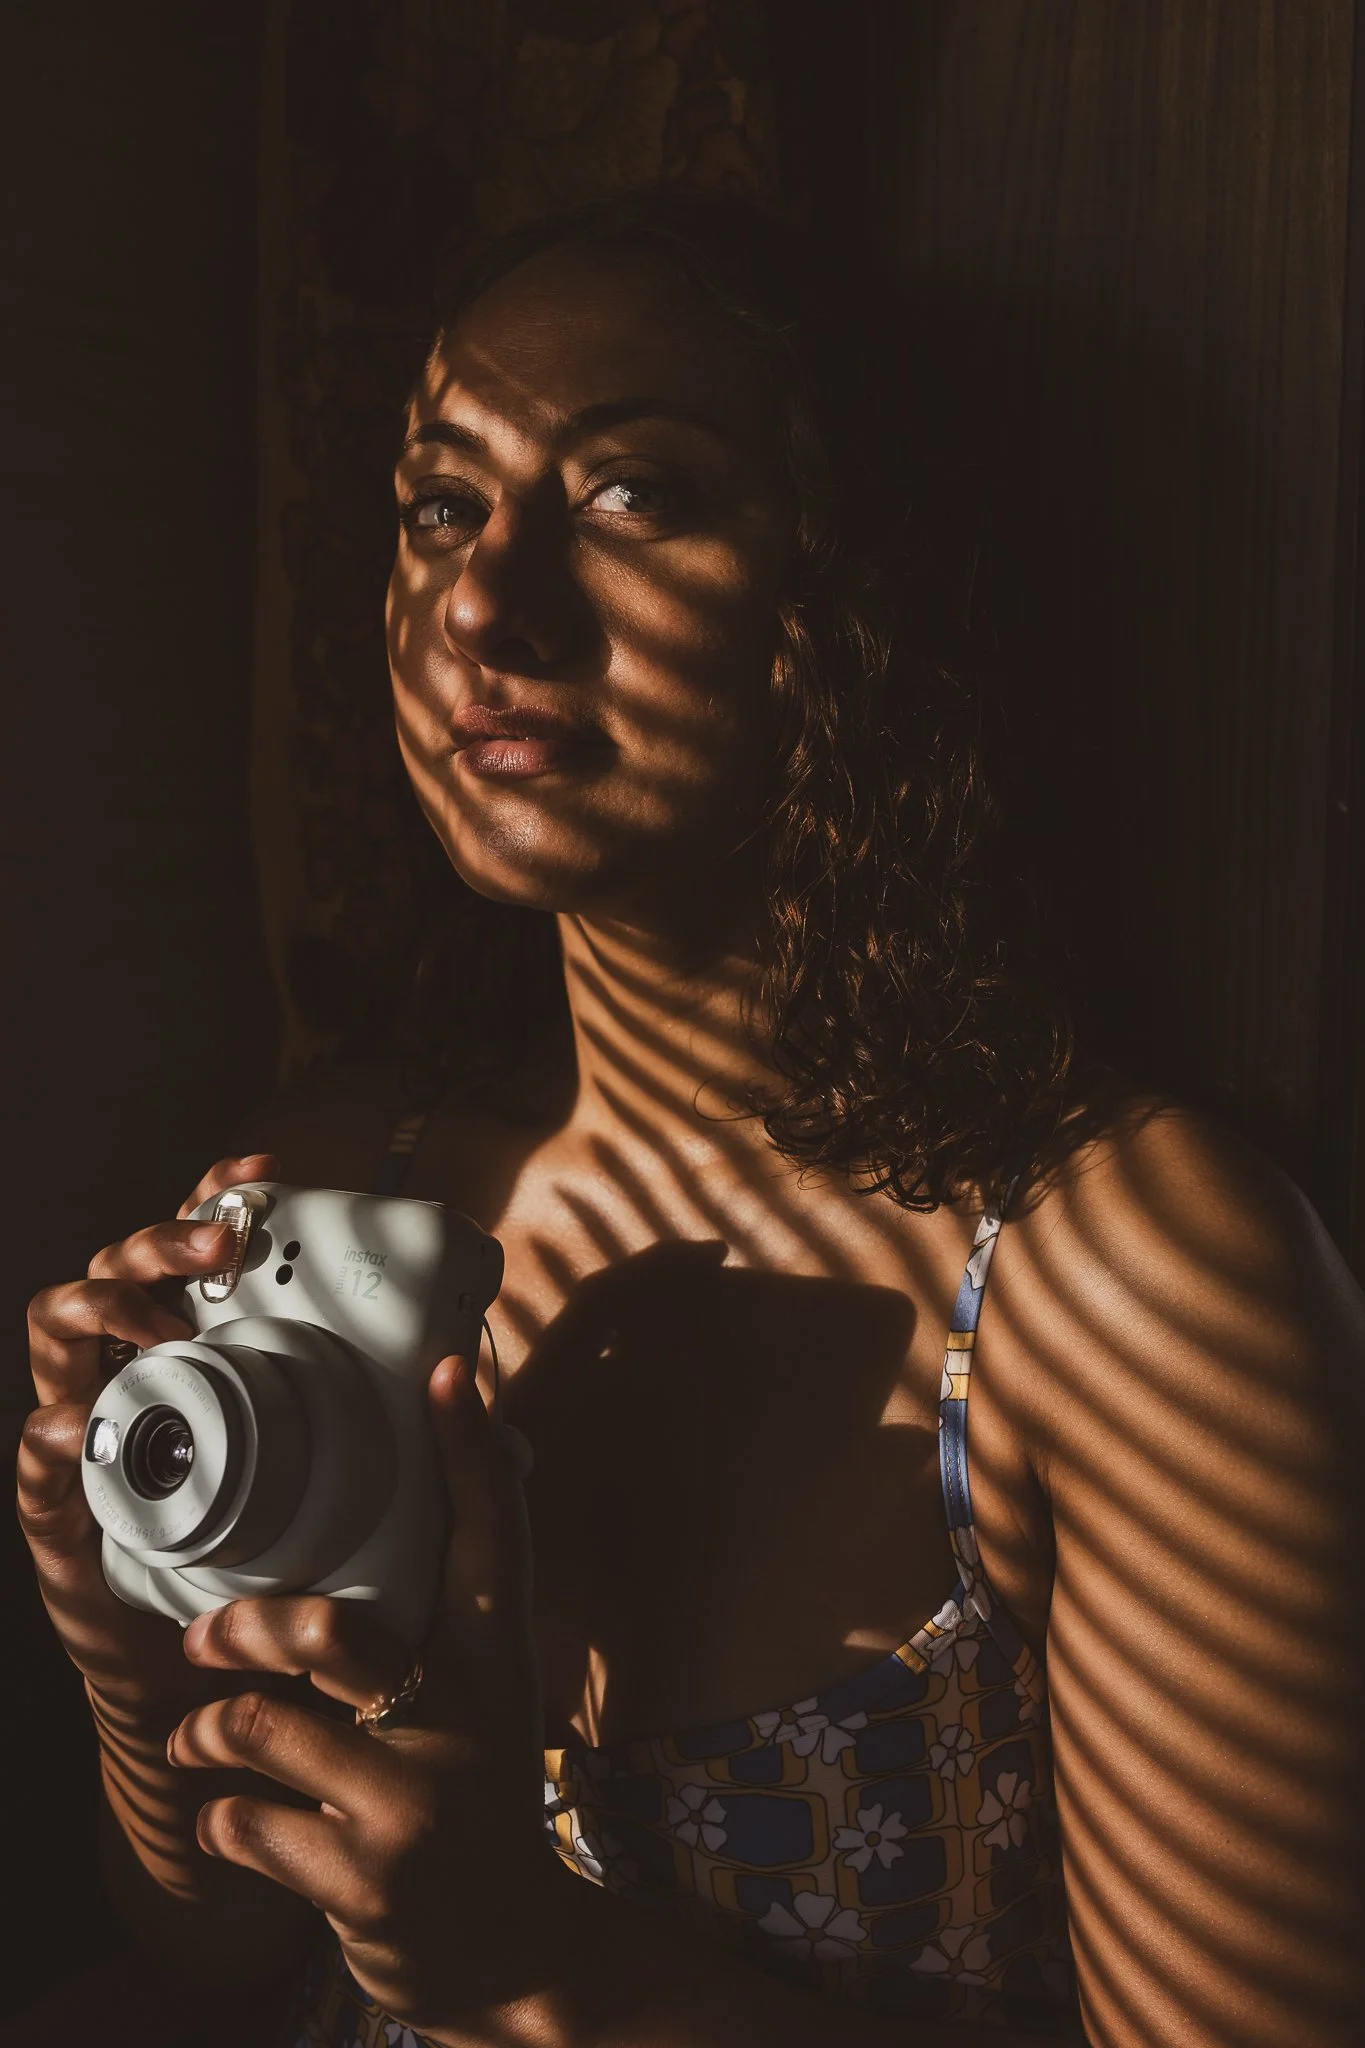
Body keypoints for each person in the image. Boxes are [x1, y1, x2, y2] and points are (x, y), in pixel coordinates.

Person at [19, 195, 1365, 2048]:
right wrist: (124, 1664)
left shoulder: (1127, 1280)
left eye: (632, 494)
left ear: (849, 582)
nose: (483, 601)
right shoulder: (330, 1201)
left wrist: (537, 1967)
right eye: (440, 507)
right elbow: (221, 1947)